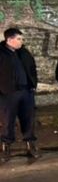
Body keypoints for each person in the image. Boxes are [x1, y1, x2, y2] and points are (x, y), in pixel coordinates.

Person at [0, 27, 40, 162]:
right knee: (7, 121)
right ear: (9, 40)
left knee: (28, 119)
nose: (21, 41)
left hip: (26, 91)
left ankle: (30, 145)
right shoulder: (1, 53)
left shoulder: (24, 52)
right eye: (19, 39)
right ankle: (6, 147)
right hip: (8, 93)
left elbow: (32, 68)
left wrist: (33, 84)